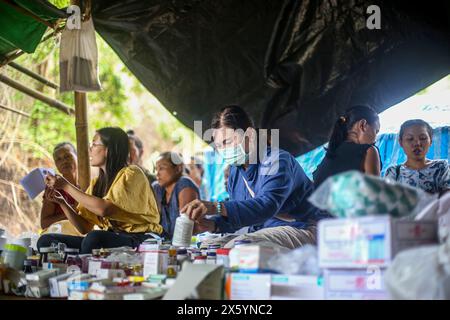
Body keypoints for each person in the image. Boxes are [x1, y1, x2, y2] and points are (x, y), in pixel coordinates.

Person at [182, 105, 331, 249]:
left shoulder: (276, 160)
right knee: (209, 247)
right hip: (264, 231)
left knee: (241, 248)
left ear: (250, 135)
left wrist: (215, 207)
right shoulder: (235, 171)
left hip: (302, 227)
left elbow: (267, 205)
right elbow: (243, 214)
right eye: (219, 145)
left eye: (227, 142)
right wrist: (212, 225)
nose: (223, 150)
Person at [37, 127, 163, 254]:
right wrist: (62, 202)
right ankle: (77, 265)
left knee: (94, 238)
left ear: (108, 150)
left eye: (94, 144)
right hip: (113, 238)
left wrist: (66, 186)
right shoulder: (97, 183)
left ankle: (83, 267)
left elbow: (104, 209)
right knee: (46, 240)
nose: (90, 149)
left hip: (140, 238)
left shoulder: (131, 173)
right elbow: (84, 227)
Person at [312, 105, 381, 187]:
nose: (375, 139)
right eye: (376, 131)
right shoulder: (369, 151)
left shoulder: (328, 157)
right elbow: (374, 195)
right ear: (363, 125)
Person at [385, 119, 450, 194]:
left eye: (423, 138)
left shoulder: (441, 167)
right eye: (410, 139)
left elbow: (446, 200)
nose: (417, 143)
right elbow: (388, 202)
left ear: (431, 141)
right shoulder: (394, 172)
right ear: (401, 143)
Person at [152, 152, 199, 239]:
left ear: (178, 168)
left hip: (185, 244)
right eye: (156, 169)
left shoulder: (184, 184)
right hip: (167, 244)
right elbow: (153, 221)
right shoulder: (157, 188)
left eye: (161, 168)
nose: (157, 173)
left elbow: (184, 228)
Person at [40, 142, 82, 236]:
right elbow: (44, 224)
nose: (64, 161)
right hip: (62, 236)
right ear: (56, 165)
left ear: (77, 157)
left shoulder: (89, 184)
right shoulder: (54, 187)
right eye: (59, 159)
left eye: (67, 156)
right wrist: (71, 211)